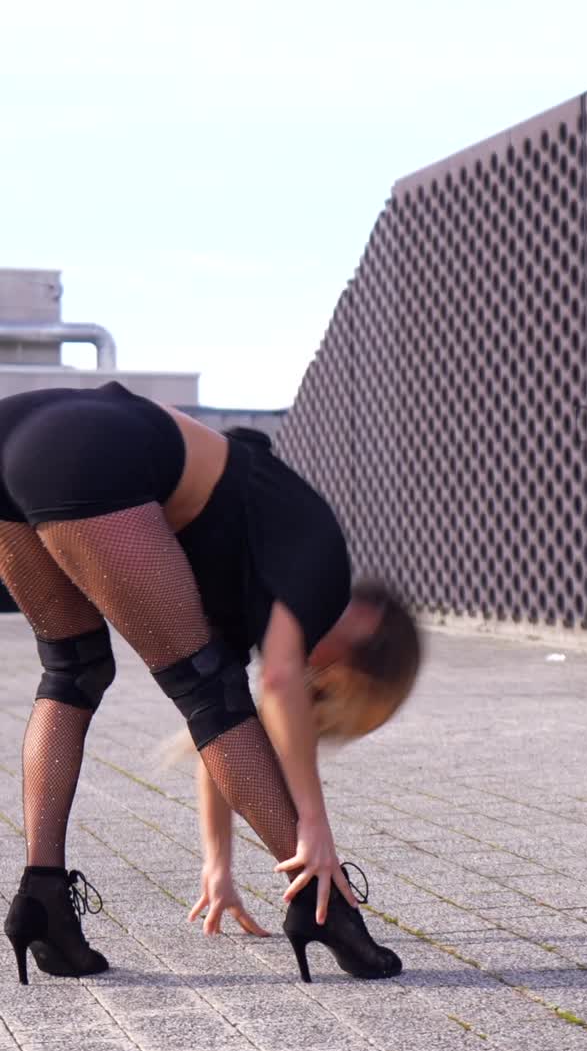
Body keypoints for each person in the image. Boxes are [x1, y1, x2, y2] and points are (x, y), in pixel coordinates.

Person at [0, 381, 421, 985]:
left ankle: (42, 903)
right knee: (205, 688)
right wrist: (315, 830)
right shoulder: (323, 560)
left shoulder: (249, 573)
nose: (314, 676)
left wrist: (219, 865)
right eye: (333, 676)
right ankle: (325, 910)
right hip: (86, 449)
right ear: (371, 626)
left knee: (73, 669)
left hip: (16, 432)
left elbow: (222, 734)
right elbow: (270, 682)